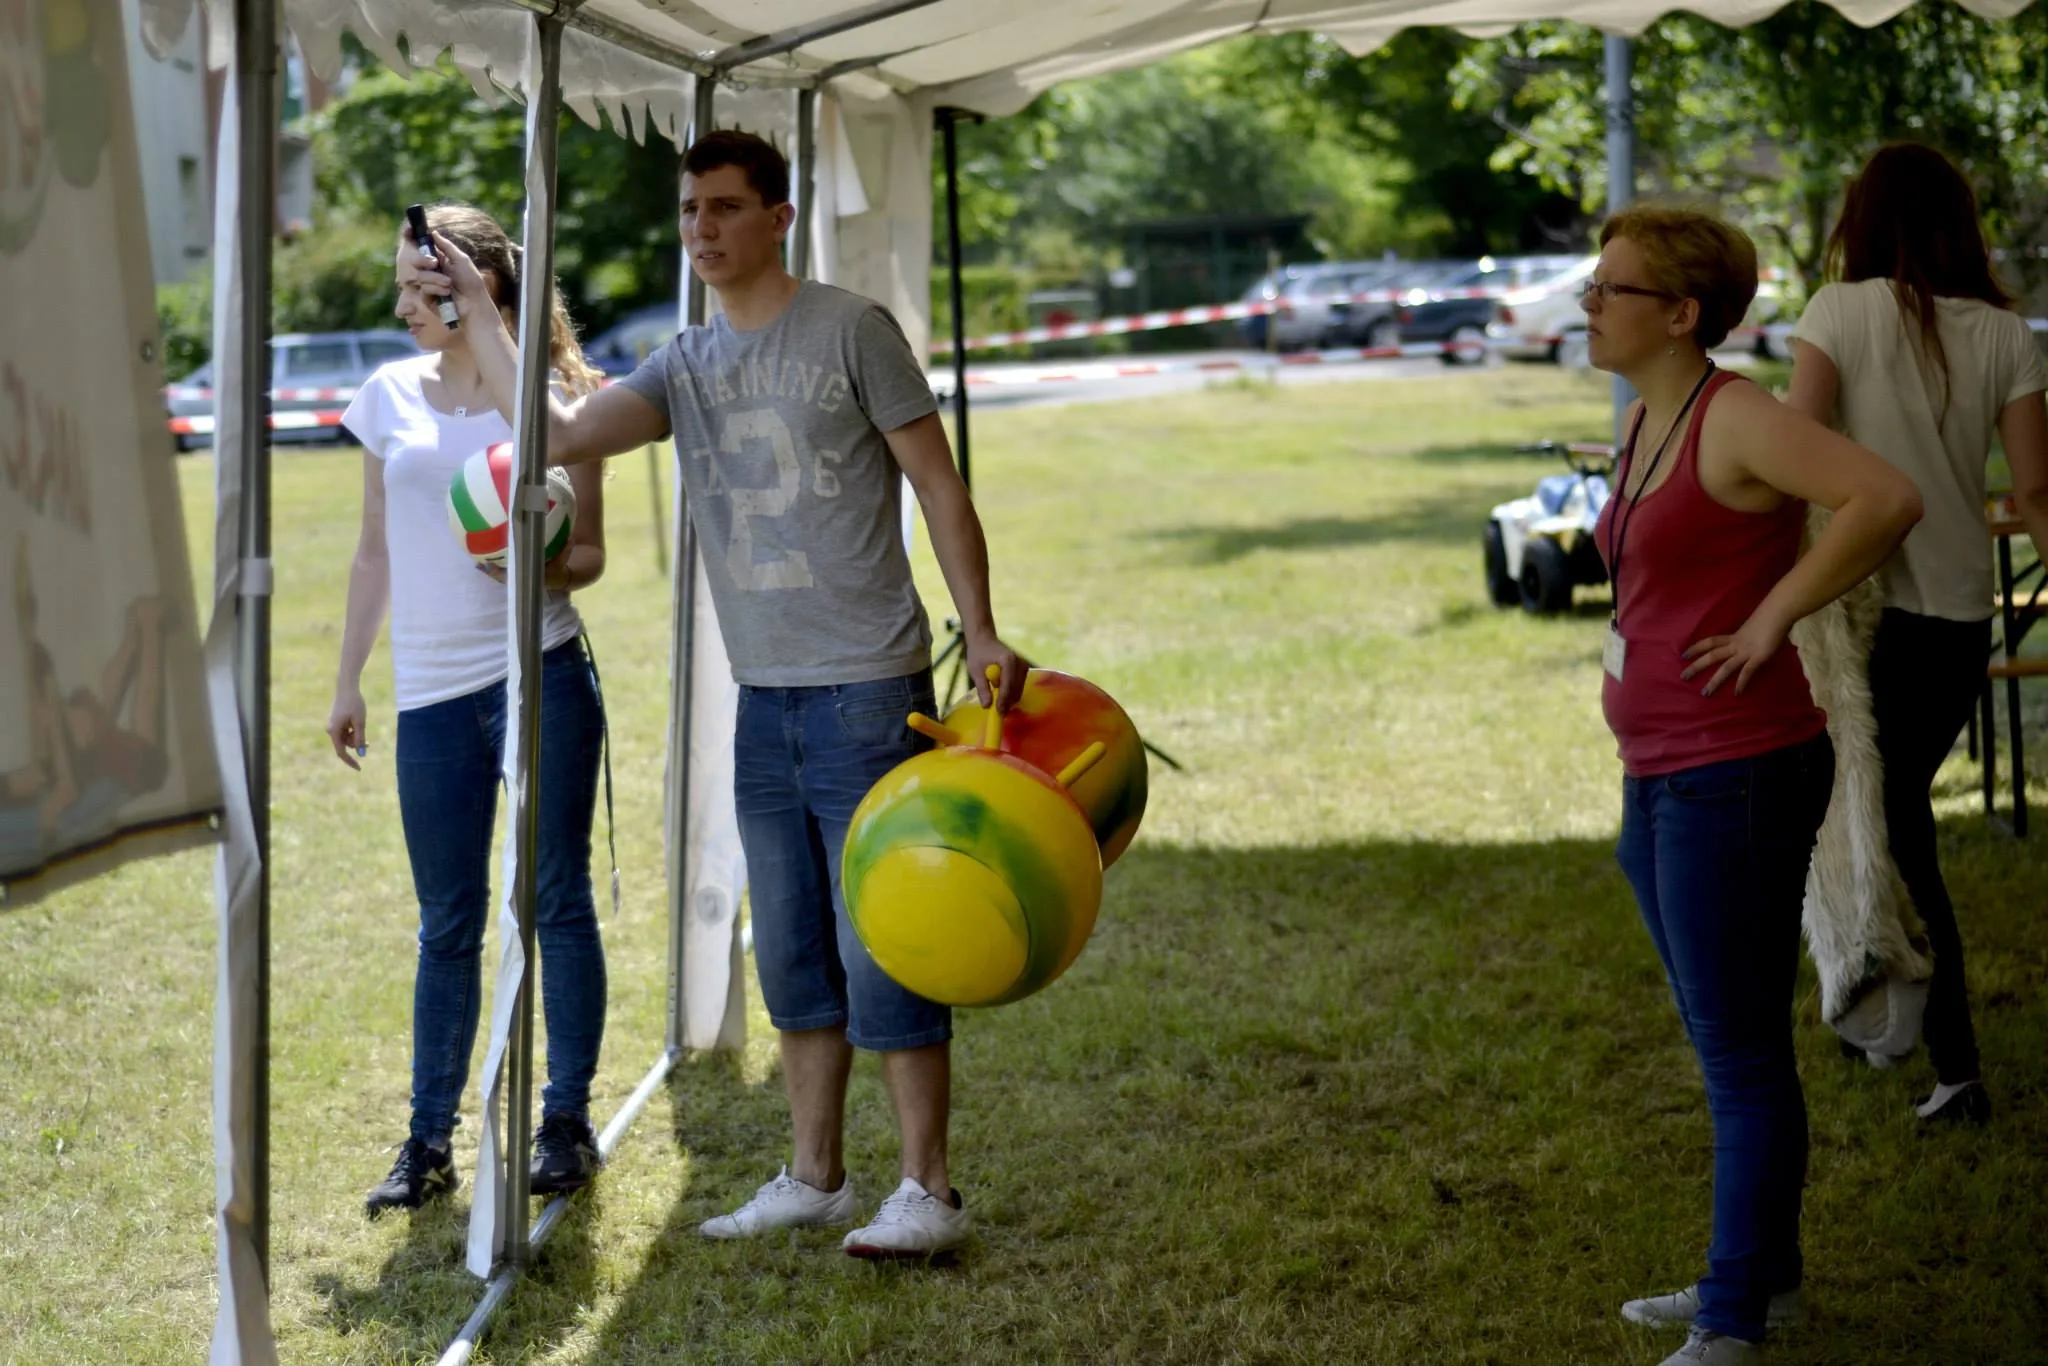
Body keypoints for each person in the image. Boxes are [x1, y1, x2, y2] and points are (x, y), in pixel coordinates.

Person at [410, 129, 1022, 1260]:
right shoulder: (684, 362)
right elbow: (550, 432)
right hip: (763, 697)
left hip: (863, 688)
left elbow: (937, 485)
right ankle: (815, 1177)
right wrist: (484, 314)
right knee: (790, 946)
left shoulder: (850, 329)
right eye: (691, 210)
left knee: (883, 937)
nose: (703, 228)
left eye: (726, 208)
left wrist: (976, 623)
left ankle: (926, 1189)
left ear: (779, 216)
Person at [1581, 204, 1922, 1365]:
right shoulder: (1645, 420)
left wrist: (1776, 612)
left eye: (1608, 289)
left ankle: (1735, 1314)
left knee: (1737, 1054)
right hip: (1658, 771)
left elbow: (1883, 496)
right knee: (1719, 1033)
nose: (1586, 303)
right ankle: (1755, 1278)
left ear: (1679, 314)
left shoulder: (1735, 417)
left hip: (1732, 775)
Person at [329, 203, 613, 1217]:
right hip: (434, 699)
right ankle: (427, 1141)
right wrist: (348, 677)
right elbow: (373, 549)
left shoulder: (555, 403)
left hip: (538, 675)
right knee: (445, 921)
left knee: (553, 901)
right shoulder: (386, 395)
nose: (402, 302)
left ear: (477, 284)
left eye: (421, 282)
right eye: (401, 283)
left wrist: (530, 566)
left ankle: (564, 1124)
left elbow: (588, 559)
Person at [1786, 142, 2048, 1125]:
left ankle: (1927, 1041)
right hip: (1956, 617)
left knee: (1882, 821)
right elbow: (2030, 488)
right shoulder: (2001, 331)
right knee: (1888, 817)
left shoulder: (1833, 314)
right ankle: (1896, 1021)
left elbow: (1795, 446)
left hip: (1856, 611)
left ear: (1857, 219)